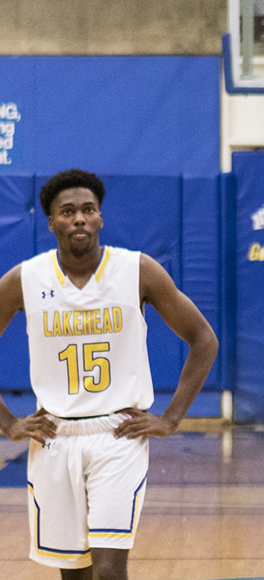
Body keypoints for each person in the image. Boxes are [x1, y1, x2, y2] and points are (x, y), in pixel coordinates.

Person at [0, 168, 219, 580]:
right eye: (67, 211)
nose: (79, 218)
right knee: (75, 573)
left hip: (118, 436)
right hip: (54, 435)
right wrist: (8, 422)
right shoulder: (24, 279)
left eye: (88, 209)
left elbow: (203, 340)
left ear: (101, 218)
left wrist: (171, 418)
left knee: (108, 570)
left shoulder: (138, 270)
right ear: (50, 222)